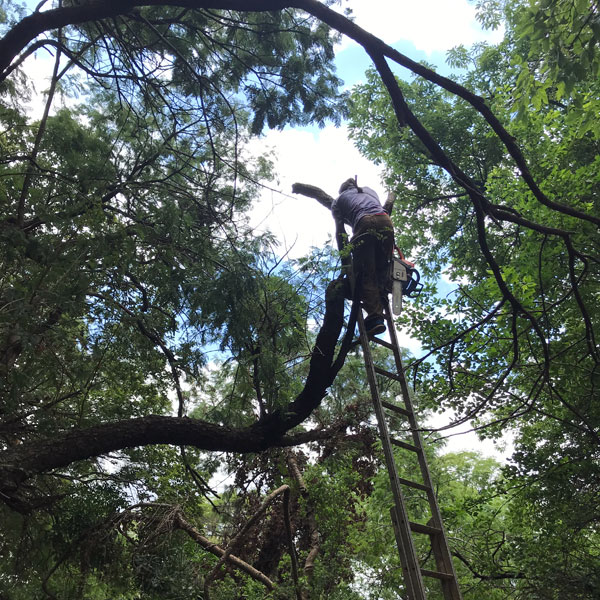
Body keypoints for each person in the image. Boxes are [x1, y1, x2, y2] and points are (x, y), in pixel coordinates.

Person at [331, 178, 394, 336]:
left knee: (365, 273)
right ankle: (383, 293)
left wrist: (346, 261)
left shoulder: (338, 201)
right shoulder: (369, 191)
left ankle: (375, 318)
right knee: (382, 267)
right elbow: (381, 207)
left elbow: (341, 232)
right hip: (386, 221)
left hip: (364, 223)